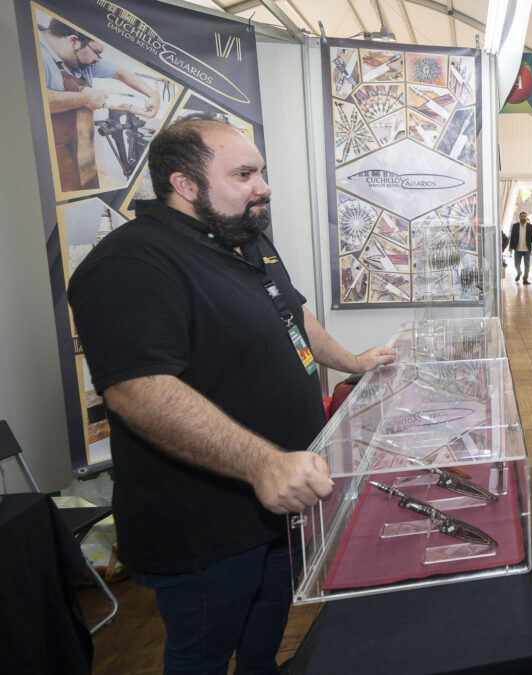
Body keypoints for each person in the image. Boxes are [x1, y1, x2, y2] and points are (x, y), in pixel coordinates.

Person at [67, 118, 396, 673]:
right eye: (244, 174)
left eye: (260, 172)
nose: (263, 186)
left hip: (279, 508)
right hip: (208, 527)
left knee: (264, 641)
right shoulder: (130, 262)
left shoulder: (246, 238)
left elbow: (294, 313)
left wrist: (354, 361)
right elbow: (138, 391)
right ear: (186, 185)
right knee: (204, 654)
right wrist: (263, 462)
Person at [39, 19, 161, 192]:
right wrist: (83, 99)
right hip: (51, 168)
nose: (98, 59)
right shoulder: (32, 53)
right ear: (74, 41)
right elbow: (38, 99)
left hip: (83, 158)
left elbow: (119, 73)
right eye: (96, 52)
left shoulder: (80, 59)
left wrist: (152, 93)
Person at [508, 211, 532, 284]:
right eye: (522, 216)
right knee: (516, 264)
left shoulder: (530, 226)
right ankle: (519, 272)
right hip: (517, 249)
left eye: (524, 216)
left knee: (527, 265)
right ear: (519, 217)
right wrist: (510, 247)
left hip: (527, 249)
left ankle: (525, 279)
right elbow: (512, 237)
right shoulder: (515, 226)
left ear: (526, 218)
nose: (523, 218)